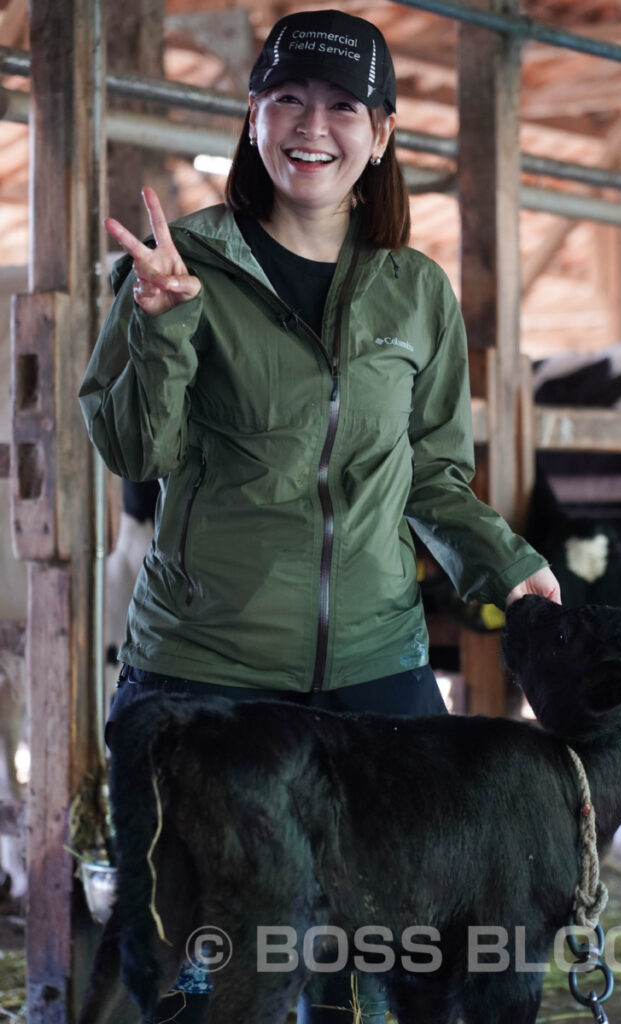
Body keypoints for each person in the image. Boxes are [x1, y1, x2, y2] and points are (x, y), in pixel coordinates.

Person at [79, 8, 560, 1022]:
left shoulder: (413, 291)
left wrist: (506, 565)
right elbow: (132, 453)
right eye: (286, 98)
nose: (313, 125)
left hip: (375, 672)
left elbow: (431, 475)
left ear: (380, 134)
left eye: (345, 106)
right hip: (206, 675)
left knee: (391, 957)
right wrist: (160, 328)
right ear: (252, 117)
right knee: (196, 969)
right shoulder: (179, 265)